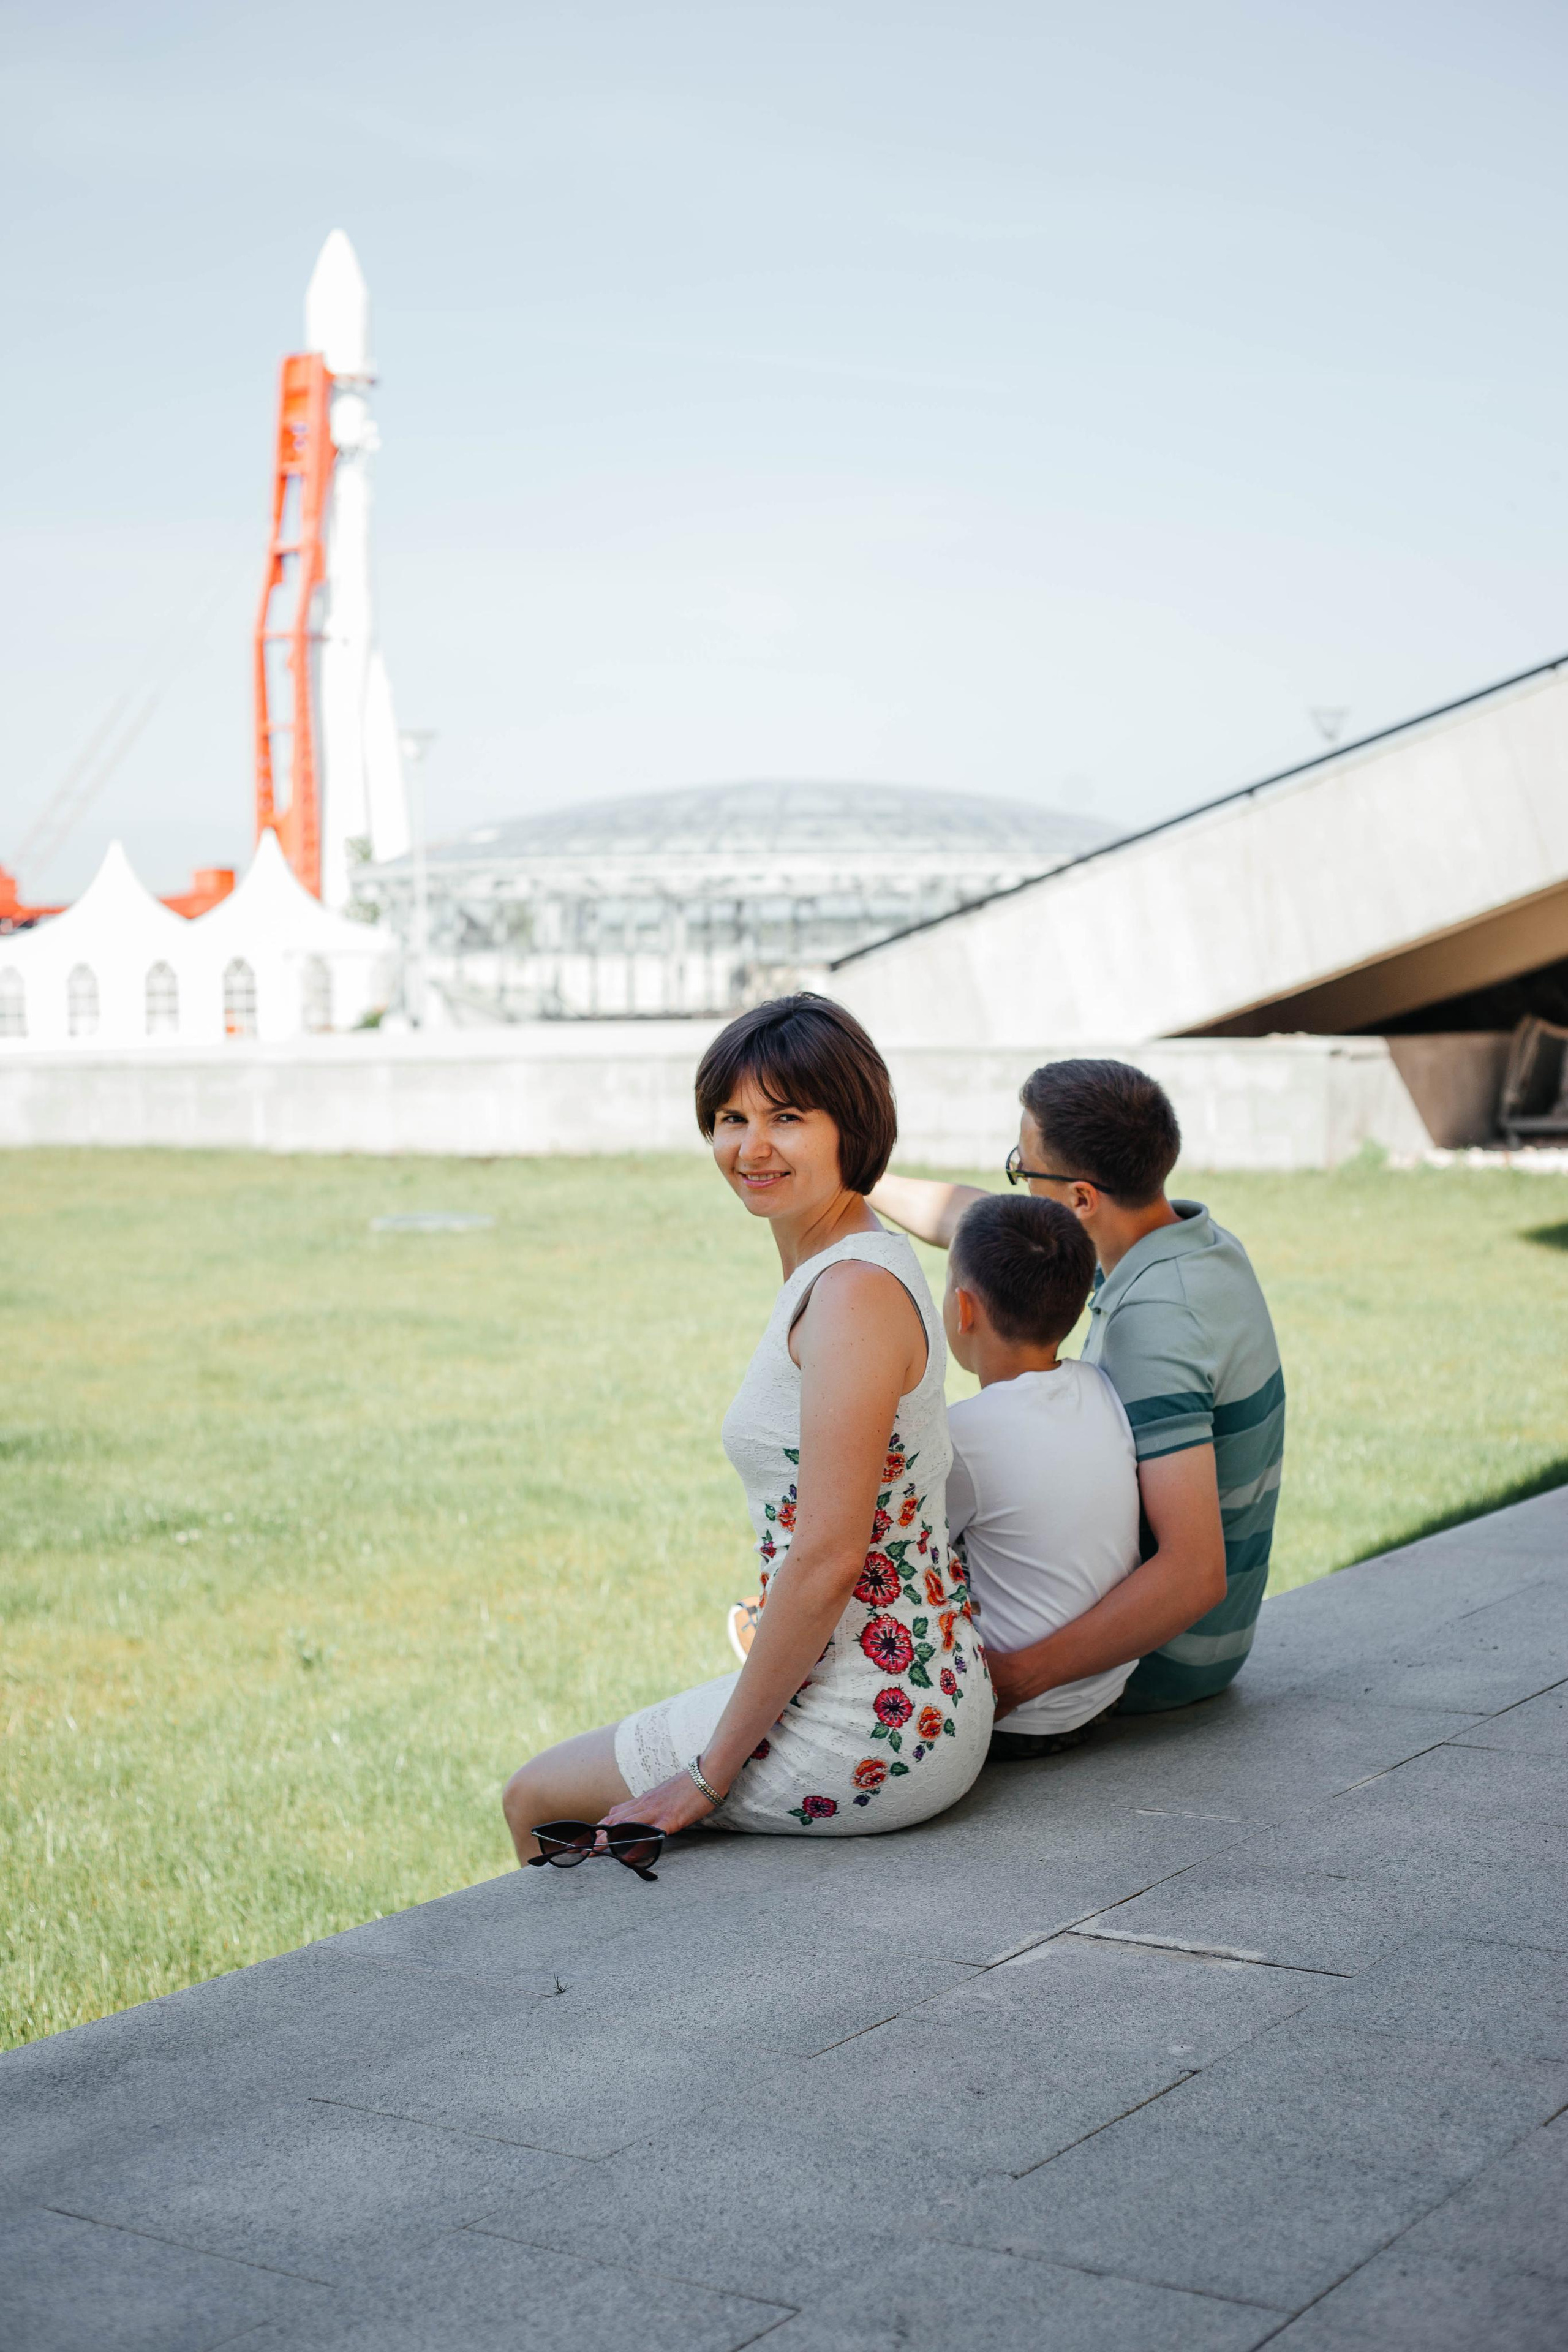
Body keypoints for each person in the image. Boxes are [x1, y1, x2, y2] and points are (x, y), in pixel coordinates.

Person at [501, 993, 993, 1861]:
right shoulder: (848, 1260)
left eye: (788, 1117)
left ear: (855, 1126)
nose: (750, 1147)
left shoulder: (851, 1296)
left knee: (538, 1798)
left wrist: (704, 1779)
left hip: (874, 1726)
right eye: (731, 1118)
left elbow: (832, 1554)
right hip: (910, 1689)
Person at [869, 1058, 1284, 1718]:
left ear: (1082, 1200)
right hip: (1191, 1640)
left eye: (1022, 1169)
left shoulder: (1158, 1322)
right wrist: (858, 1180)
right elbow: (980, 1226)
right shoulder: (1184, 1245)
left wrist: (1017, 1680)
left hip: (1158, 1660)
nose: (1014, 1185)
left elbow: (1193, 1573)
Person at [941, 1191, 1142, 1758]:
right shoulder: (1097, 1388)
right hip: (1103, 1692)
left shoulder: (963, 1436)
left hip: (1017, 1718)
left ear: (964, 1308)